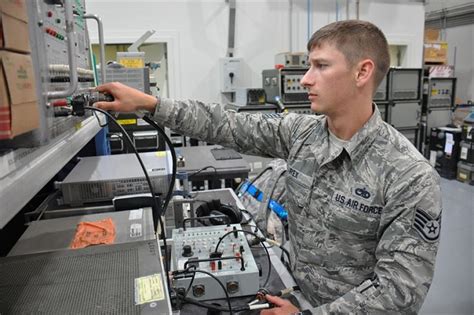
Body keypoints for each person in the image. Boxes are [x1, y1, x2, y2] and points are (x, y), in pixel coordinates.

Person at [95, 20, 442, 315]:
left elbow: (400, 290)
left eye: (320, 66)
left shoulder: (408, 175)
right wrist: (150, 104)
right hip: (293, 291)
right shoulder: (302, 134)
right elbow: (225, 123)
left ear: (362, 72)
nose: (306, 79)